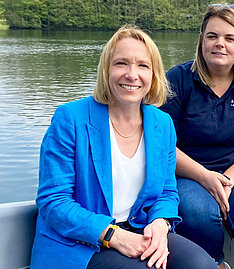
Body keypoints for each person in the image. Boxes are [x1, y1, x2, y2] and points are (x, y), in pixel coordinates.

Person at [30, 25, 217, 269]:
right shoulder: (70, 118)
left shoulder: (162, 124)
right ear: (106, 70)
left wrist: (160, 224)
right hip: (80, 242)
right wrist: (113, 236)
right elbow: (53, 201)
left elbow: (166, 192)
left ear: (154, 75)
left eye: (142, 65)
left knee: (201, 265)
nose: (132, 74)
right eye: (121, 64)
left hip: (140, 228)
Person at [160, 4, 234, 269]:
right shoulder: (178, 80)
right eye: (212, 36)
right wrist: (205, 177)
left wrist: (227, 180)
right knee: (194, 213)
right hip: (190, 172)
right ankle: (214, 264)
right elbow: (162, 144)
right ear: (201, 40)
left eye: (229, 38)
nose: (219, 44)